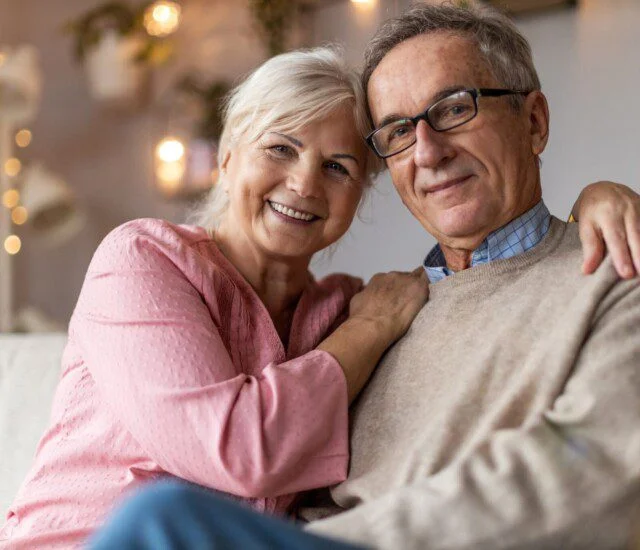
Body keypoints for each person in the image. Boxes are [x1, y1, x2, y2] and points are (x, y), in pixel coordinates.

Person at [84, 4, 640, 550]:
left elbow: (599, 470)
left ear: (534, 121)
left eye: (453, 109)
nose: (428, 150)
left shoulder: (616, 269)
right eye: (398, 130)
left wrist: (600, 197)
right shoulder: (376, 312)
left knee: (161, 522)